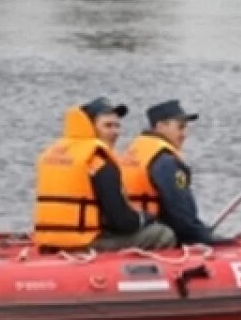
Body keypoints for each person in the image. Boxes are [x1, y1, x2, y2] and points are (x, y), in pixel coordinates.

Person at [32, 97, 177, 252]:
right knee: (162, 234)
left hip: (50, 241)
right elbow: (122, 222)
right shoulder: (98, 162)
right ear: (90, 127)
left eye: (117, 126)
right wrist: (146, 218)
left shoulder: (52, 153)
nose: (115, 132)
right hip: (85, 244)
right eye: (108, 126)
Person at [121, 99, 224, 247]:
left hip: (132, 228)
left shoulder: (133, 151)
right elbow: (181, 212)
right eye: (180, 127)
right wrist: (206, 238)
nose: (184, 134)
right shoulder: (165, 161)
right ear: (161, 127)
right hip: (154, 231)